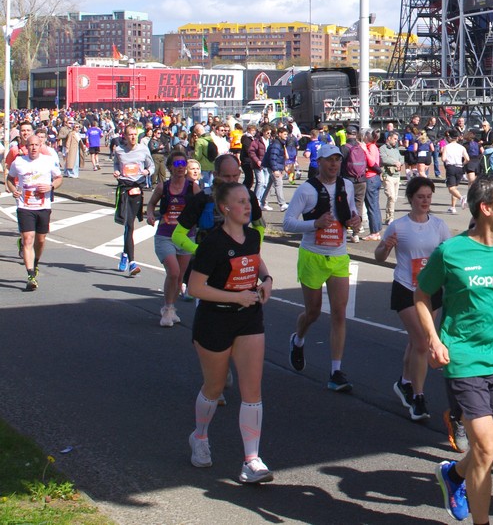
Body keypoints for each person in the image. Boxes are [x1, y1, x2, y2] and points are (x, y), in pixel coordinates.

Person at [415, 174, 493, 523]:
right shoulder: (451, 252)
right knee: (485, 448)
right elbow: (421, 295)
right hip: (464, 357)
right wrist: (433, 339)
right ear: (485, 208)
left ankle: (454, 474)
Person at [186, 181, 275, 484]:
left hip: (249, 318)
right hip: (214, 320)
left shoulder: (252, 236)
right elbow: (195, 287)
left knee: (252, 390)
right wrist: (235, 297)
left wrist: (267, 280)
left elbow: (255, 260)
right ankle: (199, 437)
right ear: (225, 208)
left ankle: (252, 460)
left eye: (248, 200)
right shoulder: (212, 243)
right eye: (240, 202)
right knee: (214, 387)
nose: (247, 206)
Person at [283, 143, 363, 392]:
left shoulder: (346, 185)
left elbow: (350, 212)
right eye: (329, 160)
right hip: (313, 256)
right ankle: (298, 339)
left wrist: (356, 220)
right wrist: (314, 224)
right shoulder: (307, 190)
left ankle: (335, 371)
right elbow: (287, 223)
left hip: (338, 256)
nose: (334, 164)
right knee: (313, 312)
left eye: (337, 160)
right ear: (319, 162)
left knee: (339, 313)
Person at [374, 176, 450, 423]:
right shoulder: (398, 226)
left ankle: (404, 382)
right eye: (420, 197)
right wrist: (386, 247)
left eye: (428, 197)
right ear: (410, 198)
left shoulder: (439, 226)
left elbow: (450, 256)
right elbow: (378, 257)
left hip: (431, 290)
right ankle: (418, 397)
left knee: (415, 341)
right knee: (422, 342)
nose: (425, 201)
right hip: (406, 288)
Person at [146, 152, 197, 326]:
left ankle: (171, 307)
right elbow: (151, 204)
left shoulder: (193, 188)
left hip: (186, 237)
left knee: (180, 276)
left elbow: (202, 206)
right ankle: (167, 309)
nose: (180, 167)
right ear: (170, 167)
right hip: (165, 236)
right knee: (173, 272)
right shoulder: (163, 187)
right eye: (176, 164)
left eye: (183, 164)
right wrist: (150, 215)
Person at [7, 135, 62, 292]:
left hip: (43, 206)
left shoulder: (48, 161)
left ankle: (35, 263)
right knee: (28, 239)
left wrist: (51, 186)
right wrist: (13, 190)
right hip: (24, 206)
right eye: (30, 145)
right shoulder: (19, 162)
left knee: (41, 240)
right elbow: (10, 179)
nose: (33, 148)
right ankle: (30, 276)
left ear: (40, 145)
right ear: (26, 146)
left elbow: (59, 178)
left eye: (36, 145)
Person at [113, 124, 156, 277]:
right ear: (125, 136)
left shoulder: (143, 149)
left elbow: (152, 166)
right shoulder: (119, 150)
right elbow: (116, 164)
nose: (132, 137)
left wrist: (147, 172)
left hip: (137, 188)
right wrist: (116, 171)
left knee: (130, 225)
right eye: (130, 134)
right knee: (128, 225)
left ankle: (125, 253)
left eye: (134, 134)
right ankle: (132, 263)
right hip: (124, 188)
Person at [442, 130, 468, 213]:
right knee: (455, 187)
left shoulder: (447, 147)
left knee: (451, 188)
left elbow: (443, 158)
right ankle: (453, 207)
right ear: (457, 138)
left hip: (451, 167)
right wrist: (462, 163)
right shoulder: (462, 147)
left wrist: (447, 159)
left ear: (450, 137)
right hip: (459, 167)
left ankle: (461, 198)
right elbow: (467, 159)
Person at [380, 131, 404, 219]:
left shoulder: (396, 149)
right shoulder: (383, 148)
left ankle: (388, 216)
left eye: (397, 139)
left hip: (396, 176)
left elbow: (401, 158)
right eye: (394, 139)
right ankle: (391, 217)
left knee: (394, 198)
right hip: (388, 175)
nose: (396, 141)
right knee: (391, 196)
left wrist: (399, 162)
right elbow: (384, 159)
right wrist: (395, 162)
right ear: (389, 138)